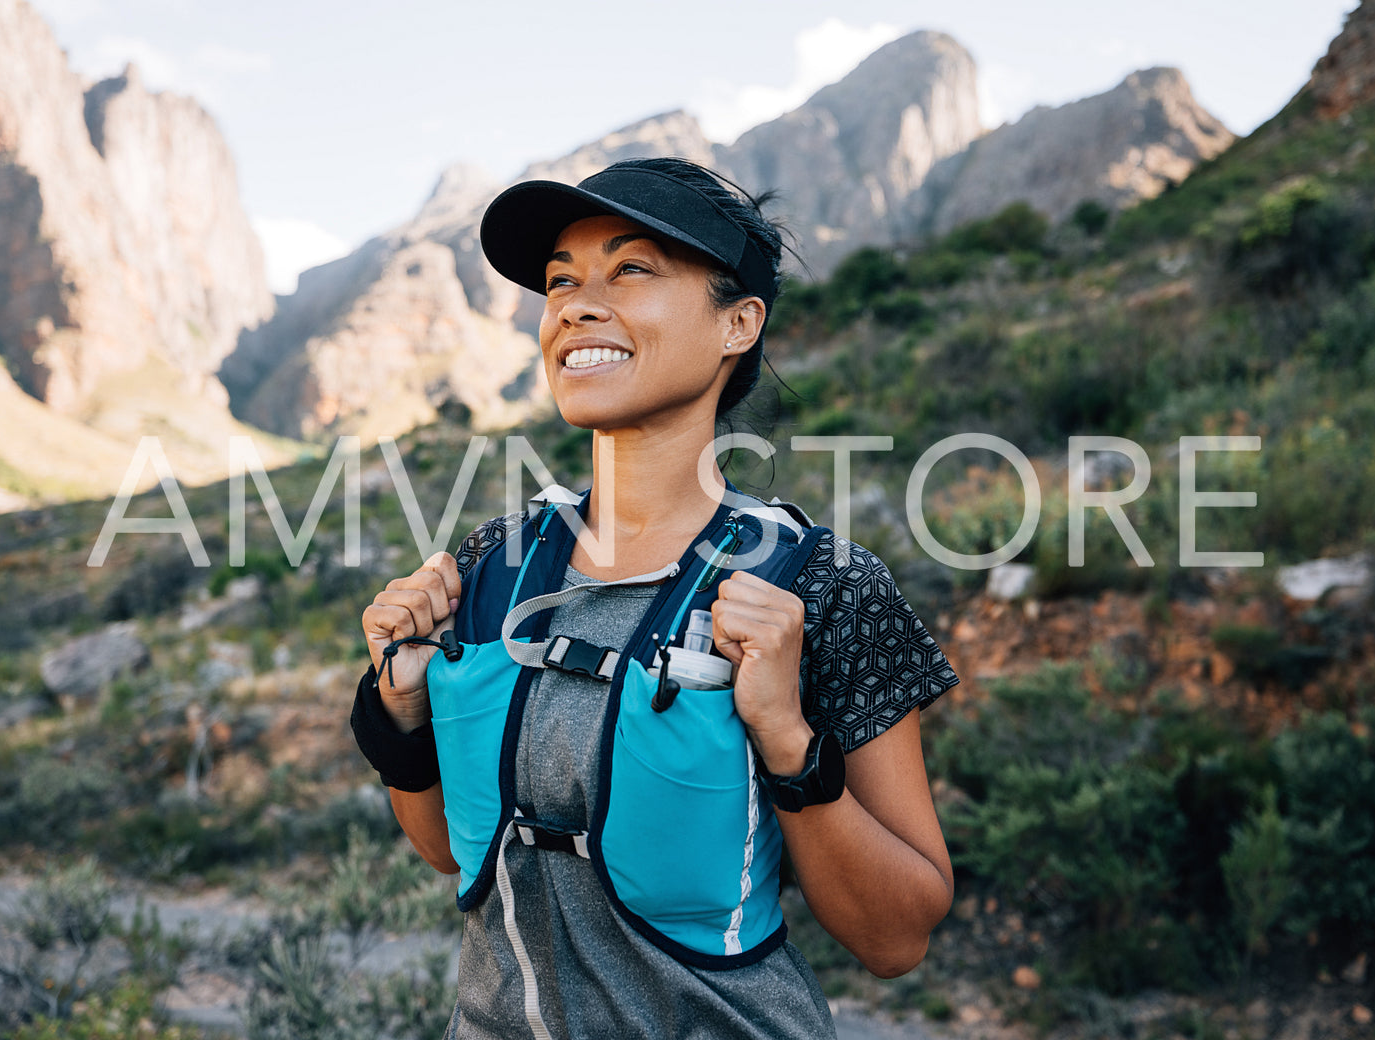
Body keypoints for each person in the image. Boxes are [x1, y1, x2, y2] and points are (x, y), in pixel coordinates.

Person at [350, 157, 958, 1040]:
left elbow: (897, 938)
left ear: (738, 322)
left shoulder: (818, 586)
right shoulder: (494, 565)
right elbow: (457, 851)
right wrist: (400, 716)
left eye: (630, 269)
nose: (575, 305)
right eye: (561, 281)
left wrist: (788, 739)